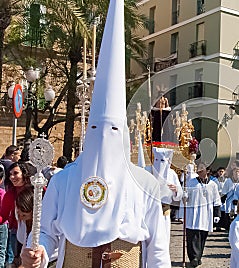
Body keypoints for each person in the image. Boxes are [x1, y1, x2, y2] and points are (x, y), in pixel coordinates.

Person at [21, 1, 171, 267]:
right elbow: (46, 234)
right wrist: (38, 252)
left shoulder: (144, 185)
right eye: (95, 130)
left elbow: (157, 249)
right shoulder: (63, 182)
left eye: (113, 130)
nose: (104, 138)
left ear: (122, 136)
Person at [185, 162, 221, 268]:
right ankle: (193, 258)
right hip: (193, 214)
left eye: (202, 168)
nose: (199, 170)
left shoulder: (213, 185)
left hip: (206, 214)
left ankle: (198, 257)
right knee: (192, 236)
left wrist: (216, 214)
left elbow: (217, 200)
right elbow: (186, 194)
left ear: (208, 171)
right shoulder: (191, 182)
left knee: (202, 236)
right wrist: (184, 196)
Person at [146, 147, 182, 245]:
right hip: (149, 210)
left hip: (164, 211)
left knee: (163, 239)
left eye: (162, 161)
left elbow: (179, 194)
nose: (159, 164)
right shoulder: (148, 170)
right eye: (157, 160)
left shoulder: (171, 174)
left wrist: (176, 190)